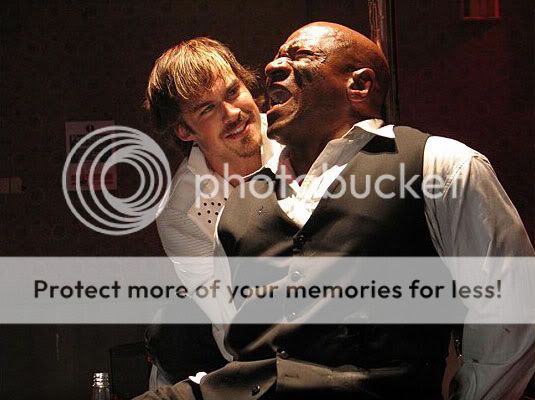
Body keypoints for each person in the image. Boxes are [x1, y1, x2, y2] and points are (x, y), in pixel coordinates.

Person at [136, 22, 534, 399]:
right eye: (206, 109)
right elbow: (230, 333)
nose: (272, 67)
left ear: (358, 85)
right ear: (185, 130)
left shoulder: (438, 164)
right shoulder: (216, 209)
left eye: (300, 56)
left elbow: (510, 310)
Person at [143, 37, 281, 388]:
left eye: (233, 92)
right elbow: (229, 323)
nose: (232, 113)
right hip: (231, 360)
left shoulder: (300, 138)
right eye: (207, 109)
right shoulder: (180, 212)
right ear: (184, 130)